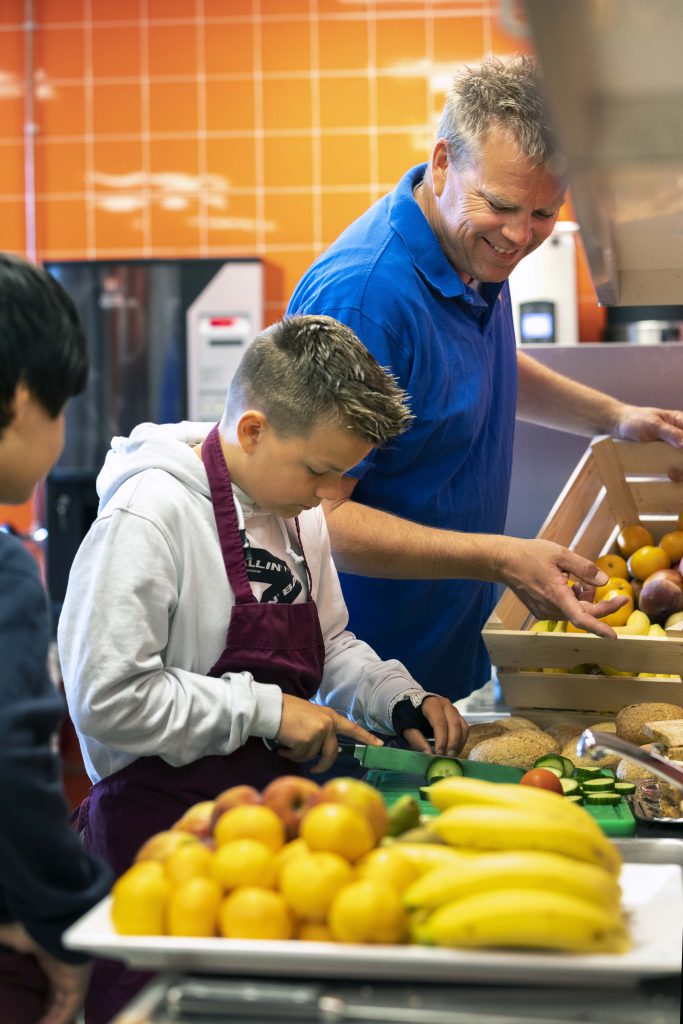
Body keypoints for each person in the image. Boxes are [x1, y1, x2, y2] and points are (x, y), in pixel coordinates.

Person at [57, 313, 467, 1023]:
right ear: (252, 430)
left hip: (272, 842)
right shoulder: (149, 514)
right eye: (319, 470)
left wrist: (395, 698)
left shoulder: (298, 513)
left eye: (342, 473)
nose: (328, 491)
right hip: (158, 847)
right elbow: (107, 697)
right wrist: (267, 712)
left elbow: (330, 643)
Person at [287, 54, 683, 702]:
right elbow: (313, 518)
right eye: (500, 205)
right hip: (365, 684)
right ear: (442, 162)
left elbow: (476, 368)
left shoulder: (468, 252)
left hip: (450, 663)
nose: (519, 237)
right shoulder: (364, 301)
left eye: (543, 214)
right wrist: (499, 556)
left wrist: (613, 415)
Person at [0, 253, 112, 1024]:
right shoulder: (5, 569)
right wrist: (73, 919)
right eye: (62, 406)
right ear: (17, 398)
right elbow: (12, 761)